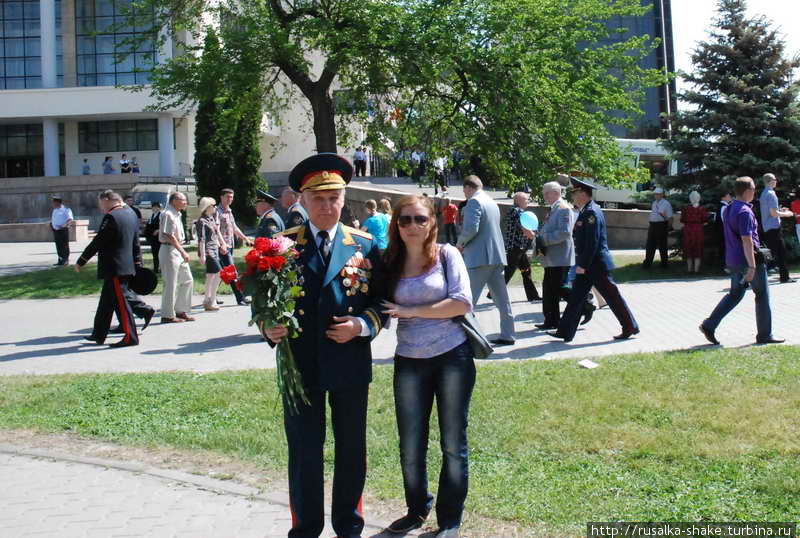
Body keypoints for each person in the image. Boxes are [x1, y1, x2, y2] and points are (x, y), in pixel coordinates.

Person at [262, 153, 388, 538]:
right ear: (301, 200)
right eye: (318, 198)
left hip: (349, 361)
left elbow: (382, 302)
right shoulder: (281, 246)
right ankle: (306, 528)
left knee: (351, 448)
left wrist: (362, 325)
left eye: (334, 198)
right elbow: (263, 302)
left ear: (343, 200)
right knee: (304, 450)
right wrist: (267, 327)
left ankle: (349, 525)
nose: (327, 206)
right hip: (300, 366)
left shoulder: (364, 245)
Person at [380, 194, 474, 538]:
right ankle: (416, 509)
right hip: (409, 361)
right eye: (405, 220)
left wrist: (413, 312)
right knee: (410, 442)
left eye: (420, 219)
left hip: (452, 357)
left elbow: (462, 302)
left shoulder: (447, 255)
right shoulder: (390, 261)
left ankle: (450, 520)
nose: (412, 226)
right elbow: (374, 301)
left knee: (452, 441)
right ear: (397, 225)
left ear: (432, 222)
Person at [550, 177, 639, 342]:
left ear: (583, 193)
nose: (572, 196)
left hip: (595, 265)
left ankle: (630, 326)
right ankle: (564, 331)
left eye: (574, 193)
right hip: (589, 264)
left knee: (613, 297)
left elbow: (593, 242)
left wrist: (582, 265)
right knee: (576, 298)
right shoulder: (587, 210)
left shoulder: (591, 212)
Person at [699, 177, 785, 345]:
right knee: (762, 295)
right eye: (753, 190)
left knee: (735, 294)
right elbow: (747, 240)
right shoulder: (745, 212)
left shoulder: (730, 208)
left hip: (733, 260)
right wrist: (752, 267)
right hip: (748, 261)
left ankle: (709, 325)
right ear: (747, 191)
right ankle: (764, 335)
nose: (755, 193)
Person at [74, 190, 143, 348]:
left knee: (122, 304)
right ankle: (98, 334)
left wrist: (81, 260)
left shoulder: (112, 216)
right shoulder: (131, 213)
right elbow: (135, 241)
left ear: (107, 200)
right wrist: (138, 263)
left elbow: (98, 242)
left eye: (100, 203)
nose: (100, 207)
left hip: (115, 267)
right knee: (106, 303)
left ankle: (130, 337)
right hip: (125, 265)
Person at [457, 175, 515, 346]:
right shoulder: (491, 201)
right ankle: (508, 334)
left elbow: (471, 229)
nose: (465, 194)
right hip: (496, 257)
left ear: (468, 187)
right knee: (503, 301)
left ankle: (467, 339)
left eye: (464, 191)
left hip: (479, 258)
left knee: (468, 301)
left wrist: (459, 244)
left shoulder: (474, 202)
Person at [533, 182, 576, 330]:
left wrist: (543, 239)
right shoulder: (554, 209)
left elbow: (564, 233)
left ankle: (583, 305)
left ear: (556, 193)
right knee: (549, 290)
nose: (544, 196)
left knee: (557, 289)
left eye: (547, 193)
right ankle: (551, 320)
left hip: (560, 257)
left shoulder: (564, 209)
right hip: (551, 257)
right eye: (544, 193)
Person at [159, 191, 195, 323]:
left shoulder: (177, 214)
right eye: (183, 200)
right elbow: (169, 235)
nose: (185, 202)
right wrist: (183, 251)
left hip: (176, 249)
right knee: (171, 283)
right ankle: (167, 315)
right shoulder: (168, 214)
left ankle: (181, 310)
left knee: (187, 280)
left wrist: (181, 251)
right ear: (174, 201)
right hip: (169, 250)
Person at [502, 192, 540, 302]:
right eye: (526, 199)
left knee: (526, 270)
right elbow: (525, 228)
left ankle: (532, 295)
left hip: (520, 248)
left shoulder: (520, 212)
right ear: (519, 201)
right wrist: (536, 236)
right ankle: (493, 293)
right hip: (515, 247)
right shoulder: (516, 211)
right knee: (509, 270)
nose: (528, 201)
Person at [217, 188, 253, 306]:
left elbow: (234, 228)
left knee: (221, 272)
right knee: (232, 272)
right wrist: (221, 244)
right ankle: (240, 298)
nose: (230, 199)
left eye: (231, 197)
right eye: (227, 197)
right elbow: (215, 230)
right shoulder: (217, 212)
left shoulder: (229, 211)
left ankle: (211, 296)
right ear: (221, 197)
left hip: (230, 245)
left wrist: (245, 238)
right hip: (222, 246)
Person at [759, 173, 795, 283]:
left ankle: (784, 277)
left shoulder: (764, 193)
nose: (776, 181)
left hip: (768, 227)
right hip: (774, 228)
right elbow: (774, 214)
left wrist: (781, 210)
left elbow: (771, 211)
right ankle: (757, 277)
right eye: (775, 179)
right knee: (775, 254)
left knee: (777, 253)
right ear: (771, 181)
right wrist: (788, 214)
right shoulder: (771, 194)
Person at [196, 197, 227, 312]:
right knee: (219, 273)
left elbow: (216, 234)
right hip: (208, 251)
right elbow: (201, 239)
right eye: (213, 206)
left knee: (210, 275)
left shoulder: (211, 219)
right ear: (207, 207)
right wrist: (203, 255)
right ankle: (212, 299)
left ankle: (207, 300)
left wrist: (221, 245)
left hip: (215, 249)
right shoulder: (201, 221)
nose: (215, 207)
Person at [642, 187, 673, 269]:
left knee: (662, 246)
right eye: (655, 194)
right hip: (653, 225)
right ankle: (647, 264)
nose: (656, 196)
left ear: (662, 195)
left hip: (661, 225)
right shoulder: (654, 203)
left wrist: (669, 227)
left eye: (658, 194)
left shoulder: (666, 203)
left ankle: (664, 264)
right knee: (650, 245)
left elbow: (670, 217)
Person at [681, 191, 709, 273]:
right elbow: (705, 220)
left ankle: (689, 269)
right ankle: (696, 270)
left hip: (688, 230)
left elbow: (682, 219)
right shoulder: (702, 209)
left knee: (688, 248)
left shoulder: (686, 209)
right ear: (699, 198)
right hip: (698, 230)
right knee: (698, 248)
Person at [50, 195, 73, 266]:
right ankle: (60, 260)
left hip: (63, 230)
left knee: (64, 246)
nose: (52, 204)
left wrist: (64, 225)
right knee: (58, 246)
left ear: (57, 202)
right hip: (56, 230)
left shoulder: (66, 209)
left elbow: (70, 219)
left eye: (53, 202)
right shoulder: (55, 210)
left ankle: (66, 260)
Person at [144, 202, 162, 273]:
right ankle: (156, 269)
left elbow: (163, 226)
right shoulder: (152, 216)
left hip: (158, 238)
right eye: (153, 207)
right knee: (155, 254)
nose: (155, 208)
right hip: (152, 238)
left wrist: (158, 230)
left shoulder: (161, 215)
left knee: (159, 254)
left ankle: (160, 268)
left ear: (159, 208)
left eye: (156, 207)